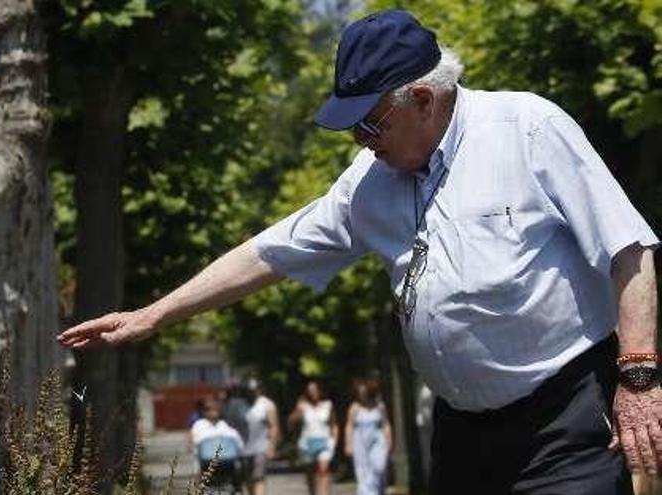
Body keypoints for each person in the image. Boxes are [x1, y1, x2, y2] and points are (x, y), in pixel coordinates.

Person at [57, 8, 661, 494]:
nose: (359, 140)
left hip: (563, 421)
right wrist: (154, 315)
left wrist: (638, 377)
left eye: (370, 123)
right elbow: (270, 252)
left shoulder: (527, 129)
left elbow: (629, 249)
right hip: (461, 435)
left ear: (424, 99)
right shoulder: (367, 183)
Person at [289, 380, 338, 495]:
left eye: (315, 390)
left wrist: (333, 440)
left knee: (323, 470)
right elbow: (291, 422)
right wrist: (297, 411)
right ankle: (312, 492)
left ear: (320, 391)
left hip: (324, 441)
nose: (313, 393)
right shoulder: (303, 406)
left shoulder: (328, 405)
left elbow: (334, 424)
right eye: (310, 391)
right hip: (307, 442)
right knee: (310, 472)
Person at [345, 380, 392, 495]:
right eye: (360, 393)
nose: (362, 395)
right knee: (362, 470)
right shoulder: (355, 407)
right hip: (360, 440)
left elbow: (385, 424)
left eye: (364, 392)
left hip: (377, 439)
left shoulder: (380, 406)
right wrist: (348, 444)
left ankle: (377, 490)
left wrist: (389, 441)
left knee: (379, 466)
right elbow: (349, 426)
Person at [190, 397, 245, 493]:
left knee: (238, 470)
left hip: (228, 462)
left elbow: (238, 442)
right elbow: (193, 443)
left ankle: (237, 489)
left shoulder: (225, 425)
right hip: (206, 462)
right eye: (208, 409)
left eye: (215, 409)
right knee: (198, 472)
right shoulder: (198, 425)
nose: (212, 411)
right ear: (203, 411)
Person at [241, 378, 279, 495]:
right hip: (244, 448)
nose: (252, 392)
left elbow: (274, 426)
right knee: (248, 479)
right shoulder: (241, 404)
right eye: (249, 390)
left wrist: (272, 447)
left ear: (259, 390)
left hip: (261, 447)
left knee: (259, 477)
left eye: (255, 390)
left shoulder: (267, 404)